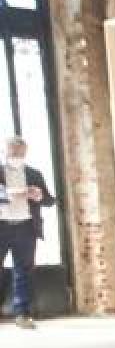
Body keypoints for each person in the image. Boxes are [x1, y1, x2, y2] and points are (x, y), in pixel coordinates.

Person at [0, 136, 54, 329]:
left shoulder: (34, 174)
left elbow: (49, 200)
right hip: (2, 226)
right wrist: (12, 193)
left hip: (26, 227)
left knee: (23, 271)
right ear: (5, 152)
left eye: (20, 153)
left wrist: (39, 196)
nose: (17, 156)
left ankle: (22, 314)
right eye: (14, 153)